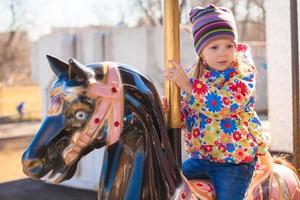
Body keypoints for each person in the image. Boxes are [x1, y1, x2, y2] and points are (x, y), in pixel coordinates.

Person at [162, 4, 269, 200]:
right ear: (201, 51)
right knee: (164, 183)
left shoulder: (242, 74)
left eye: (229, 45)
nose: (223, 52)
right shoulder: (193, 75)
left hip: (234, 162)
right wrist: (172, 111)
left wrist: (189, 87)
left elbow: (225, 105)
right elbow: (189, 116)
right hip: (201, 159)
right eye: (214, 47)